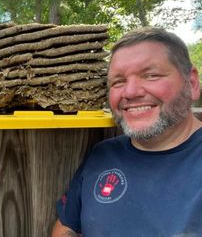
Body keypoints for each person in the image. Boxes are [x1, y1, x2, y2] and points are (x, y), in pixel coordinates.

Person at [52, 27, 202, 237]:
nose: (130, 92)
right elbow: (67, 227)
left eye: (151, 75)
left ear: (192, 83)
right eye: (118, 82)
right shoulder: (102, 154)